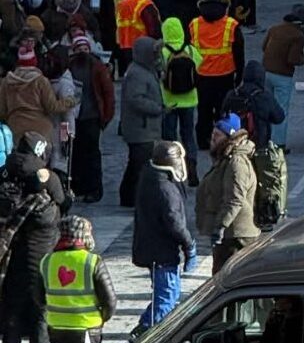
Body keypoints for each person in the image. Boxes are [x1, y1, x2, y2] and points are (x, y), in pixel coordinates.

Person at [36, 214, 117, 343]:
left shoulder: (47, 261)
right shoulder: (92, 261)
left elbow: (38, 297)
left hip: (57, 327)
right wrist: (101, 318)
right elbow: (110, 301)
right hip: (87, 327)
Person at [0, 165, 59, 343]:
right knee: (40, 312)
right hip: (43, 267)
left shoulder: (22, 209)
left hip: (20, 264)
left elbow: (9, 232)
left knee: (13, 309)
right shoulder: (51, 210)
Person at [132, 141, 195, 330]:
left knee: (166, 296)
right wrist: (189, 245)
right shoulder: (165, 189)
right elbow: (175, 223)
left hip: (150, 248)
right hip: (162, 254)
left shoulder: (148, 176)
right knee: (166, 299)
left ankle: (145, 329)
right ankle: (144, 333)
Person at [195, 113, 259, 273]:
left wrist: (220, 226)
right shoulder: (225, 158)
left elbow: (235, 199)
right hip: (229, 236)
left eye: (217, 135)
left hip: (236, 236)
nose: (212, 139)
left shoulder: (236, 162)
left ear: (229, 136)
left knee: (226, 282)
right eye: (212, 134)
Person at [191, 0, 244, 149]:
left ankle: (203, 140)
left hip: (202, 74)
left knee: (203, 110)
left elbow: (191, 49)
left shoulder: (194, 24)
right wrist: (239, 73)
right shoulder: (231, 25)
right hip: (225, 74)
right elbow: (239, 52)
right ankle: (224, 139)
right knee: (224, 110)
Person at [118, 36, 165, 208]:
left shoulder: (144, 69)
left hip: (143, 127)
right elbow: (136, 99)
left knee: (135, 164)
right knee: (138, 165)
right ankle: (132, 197)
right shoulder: (138, 73)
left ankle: (129, 197)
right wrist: (157, 108)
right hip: (141, 128)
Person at [66, 33, 113, 202]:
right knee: (76, 154)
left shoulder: (98, 67)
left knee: (92, 155)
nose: (82, 51)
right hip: (75, 117)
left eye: (85, 48)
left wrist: (106, 118)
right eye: (79, 48)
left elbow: (108, 94)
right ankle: (78, 188)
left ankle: (94, 189)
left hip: (91, 116)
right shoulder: (70, 67)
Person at [158, 18, 202, 182]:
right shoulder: (189, 50)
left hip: (169, 100)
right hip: (189, 100)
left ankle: (172, 169)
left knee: (169, 137)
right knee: (188, 135)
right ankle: (192, 168)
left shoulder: (163, 51)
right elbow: (200, 64)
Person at [262, 5, 304, 149]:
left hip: (266, 71)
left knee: (266, 107)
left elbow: (264, 47)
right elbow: (292, 59)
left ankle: (264, 139)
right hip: (282, 75)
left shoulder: (274, 29)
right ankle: (278, 143)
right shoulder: (298, 35)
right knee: (281, 109)